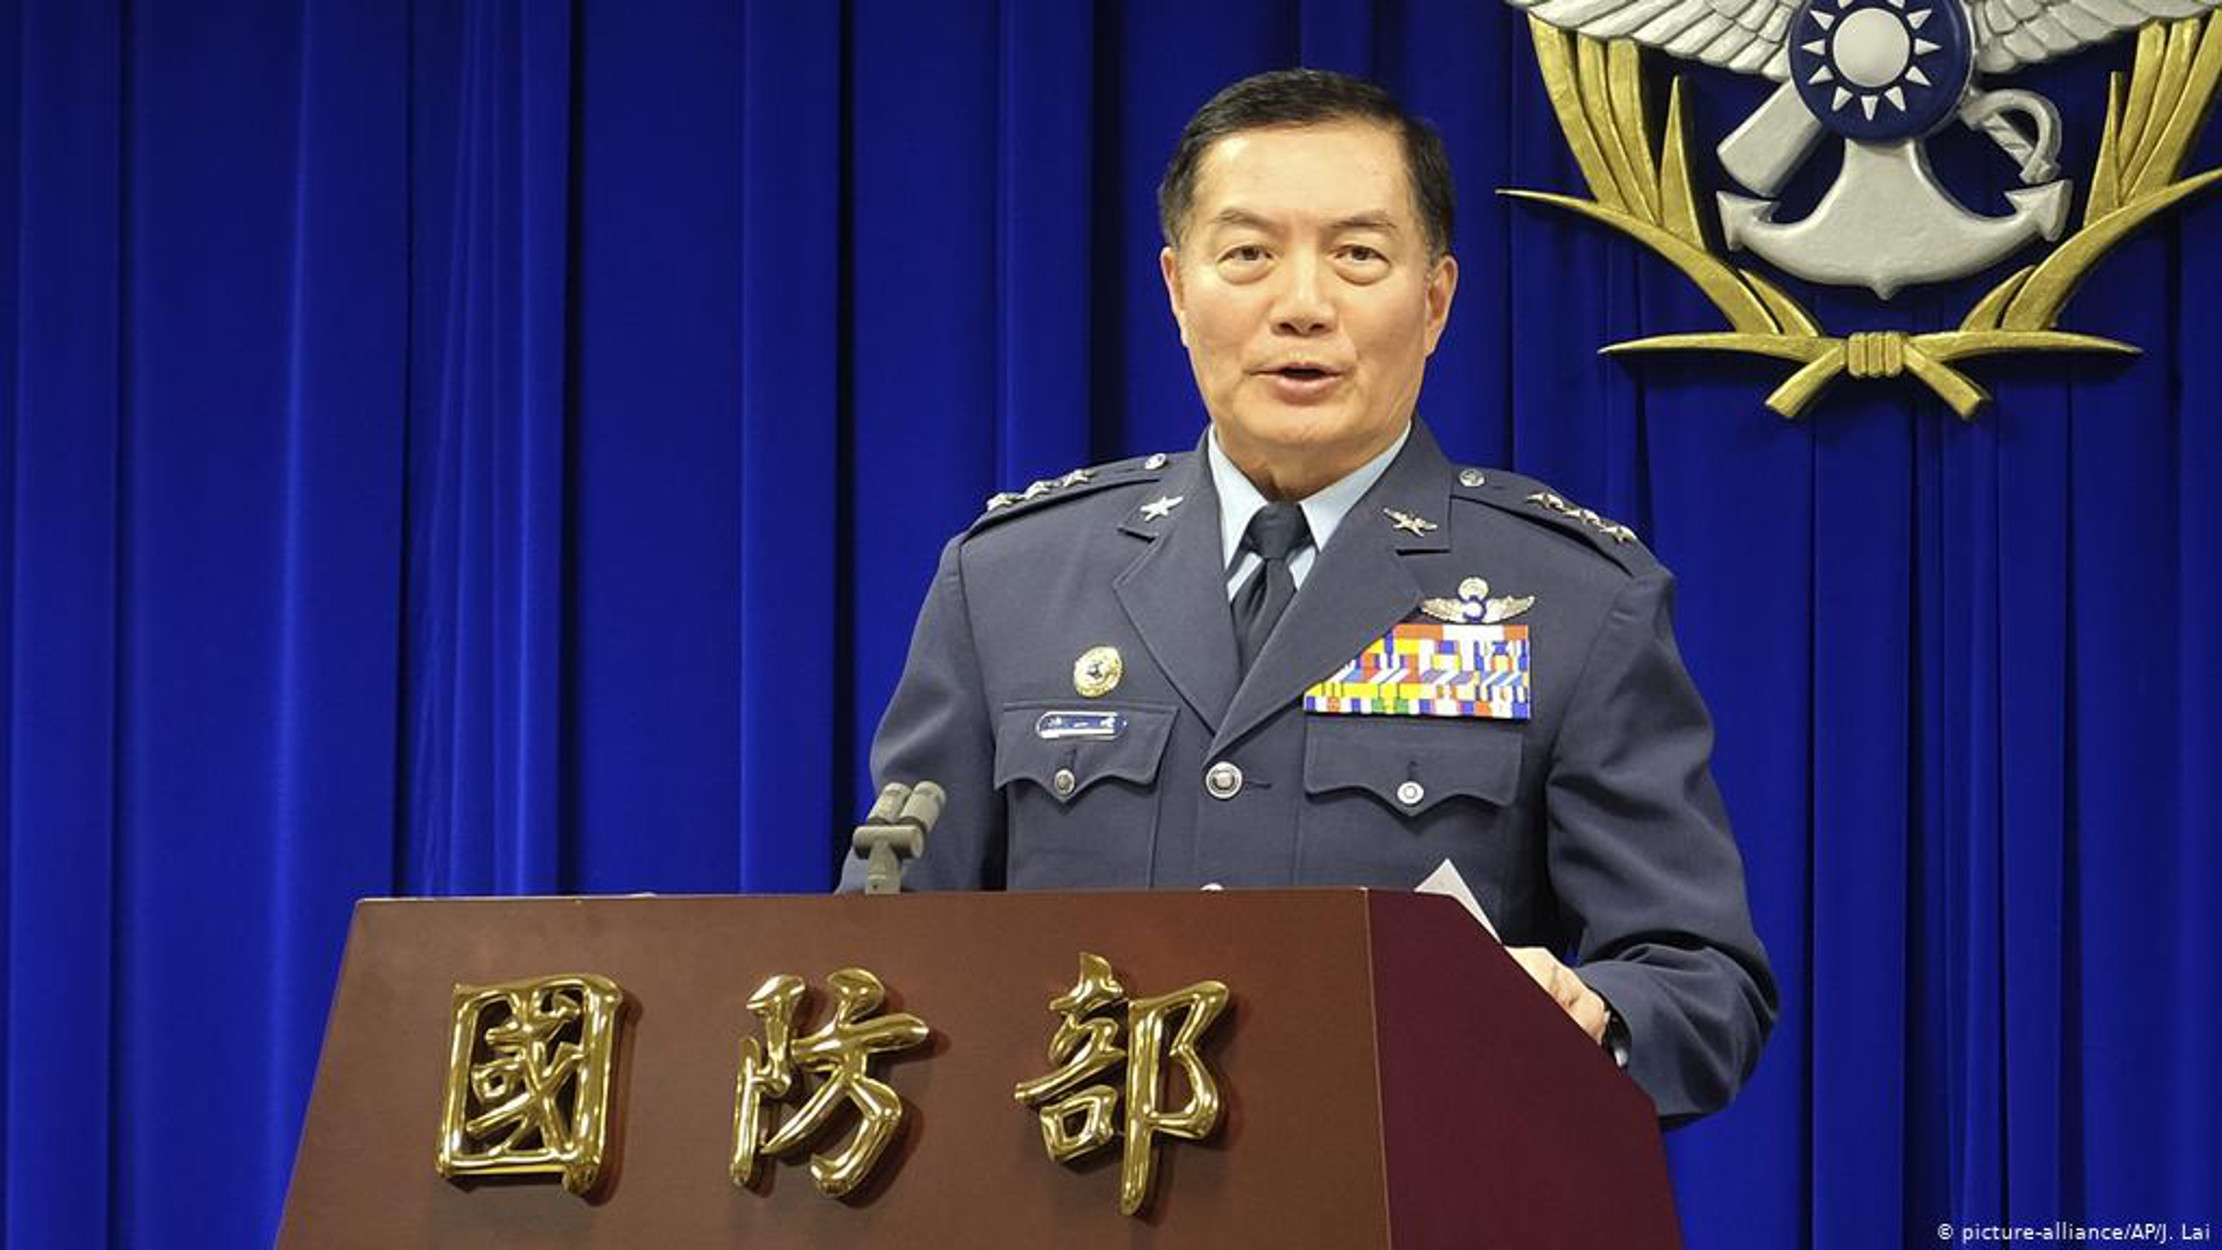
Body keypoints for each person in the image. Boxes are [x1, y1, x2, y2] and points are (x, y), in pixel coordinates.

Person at [841, 68, 1775, 1122]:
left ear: (1434, 301)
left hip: (1409, 1182)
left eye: (1357, 256)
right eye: (1247, 254)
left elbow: (1702, 982)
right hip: (1071, 1179)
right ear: (1176, 290)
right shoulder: (1009, 580)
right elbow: (879, 953)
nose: (1301, 306)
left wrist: (1594, 1009)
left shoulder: (1572, 600)